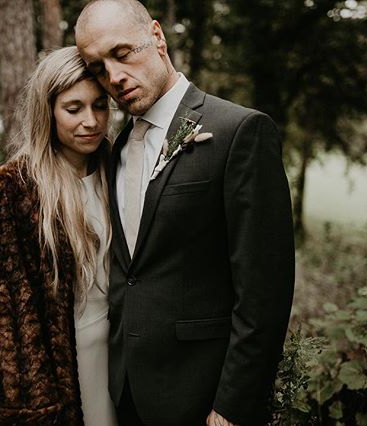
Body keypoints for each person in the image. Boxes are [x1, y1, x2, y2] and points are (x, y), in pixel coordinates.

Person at [75, 1, 295, 425]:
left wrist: (232, 406)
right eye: (98, 68)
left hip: (201, 396)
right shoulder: (118, 146)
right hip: (124, 391)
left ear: (157, 37)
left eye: (122, 54)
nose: (114, 78)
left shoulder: (239, 131)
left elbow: (264, 293)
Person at [0, 46, 117, 426]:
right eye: (73, 109)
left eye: (100, 106)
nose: (90, 121)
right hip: (63, 369)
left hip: (127, 357)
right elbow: (6, 312)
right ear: (48, 111)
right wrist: (32, 407)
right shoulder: (12, 189)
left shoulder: (119, 172)